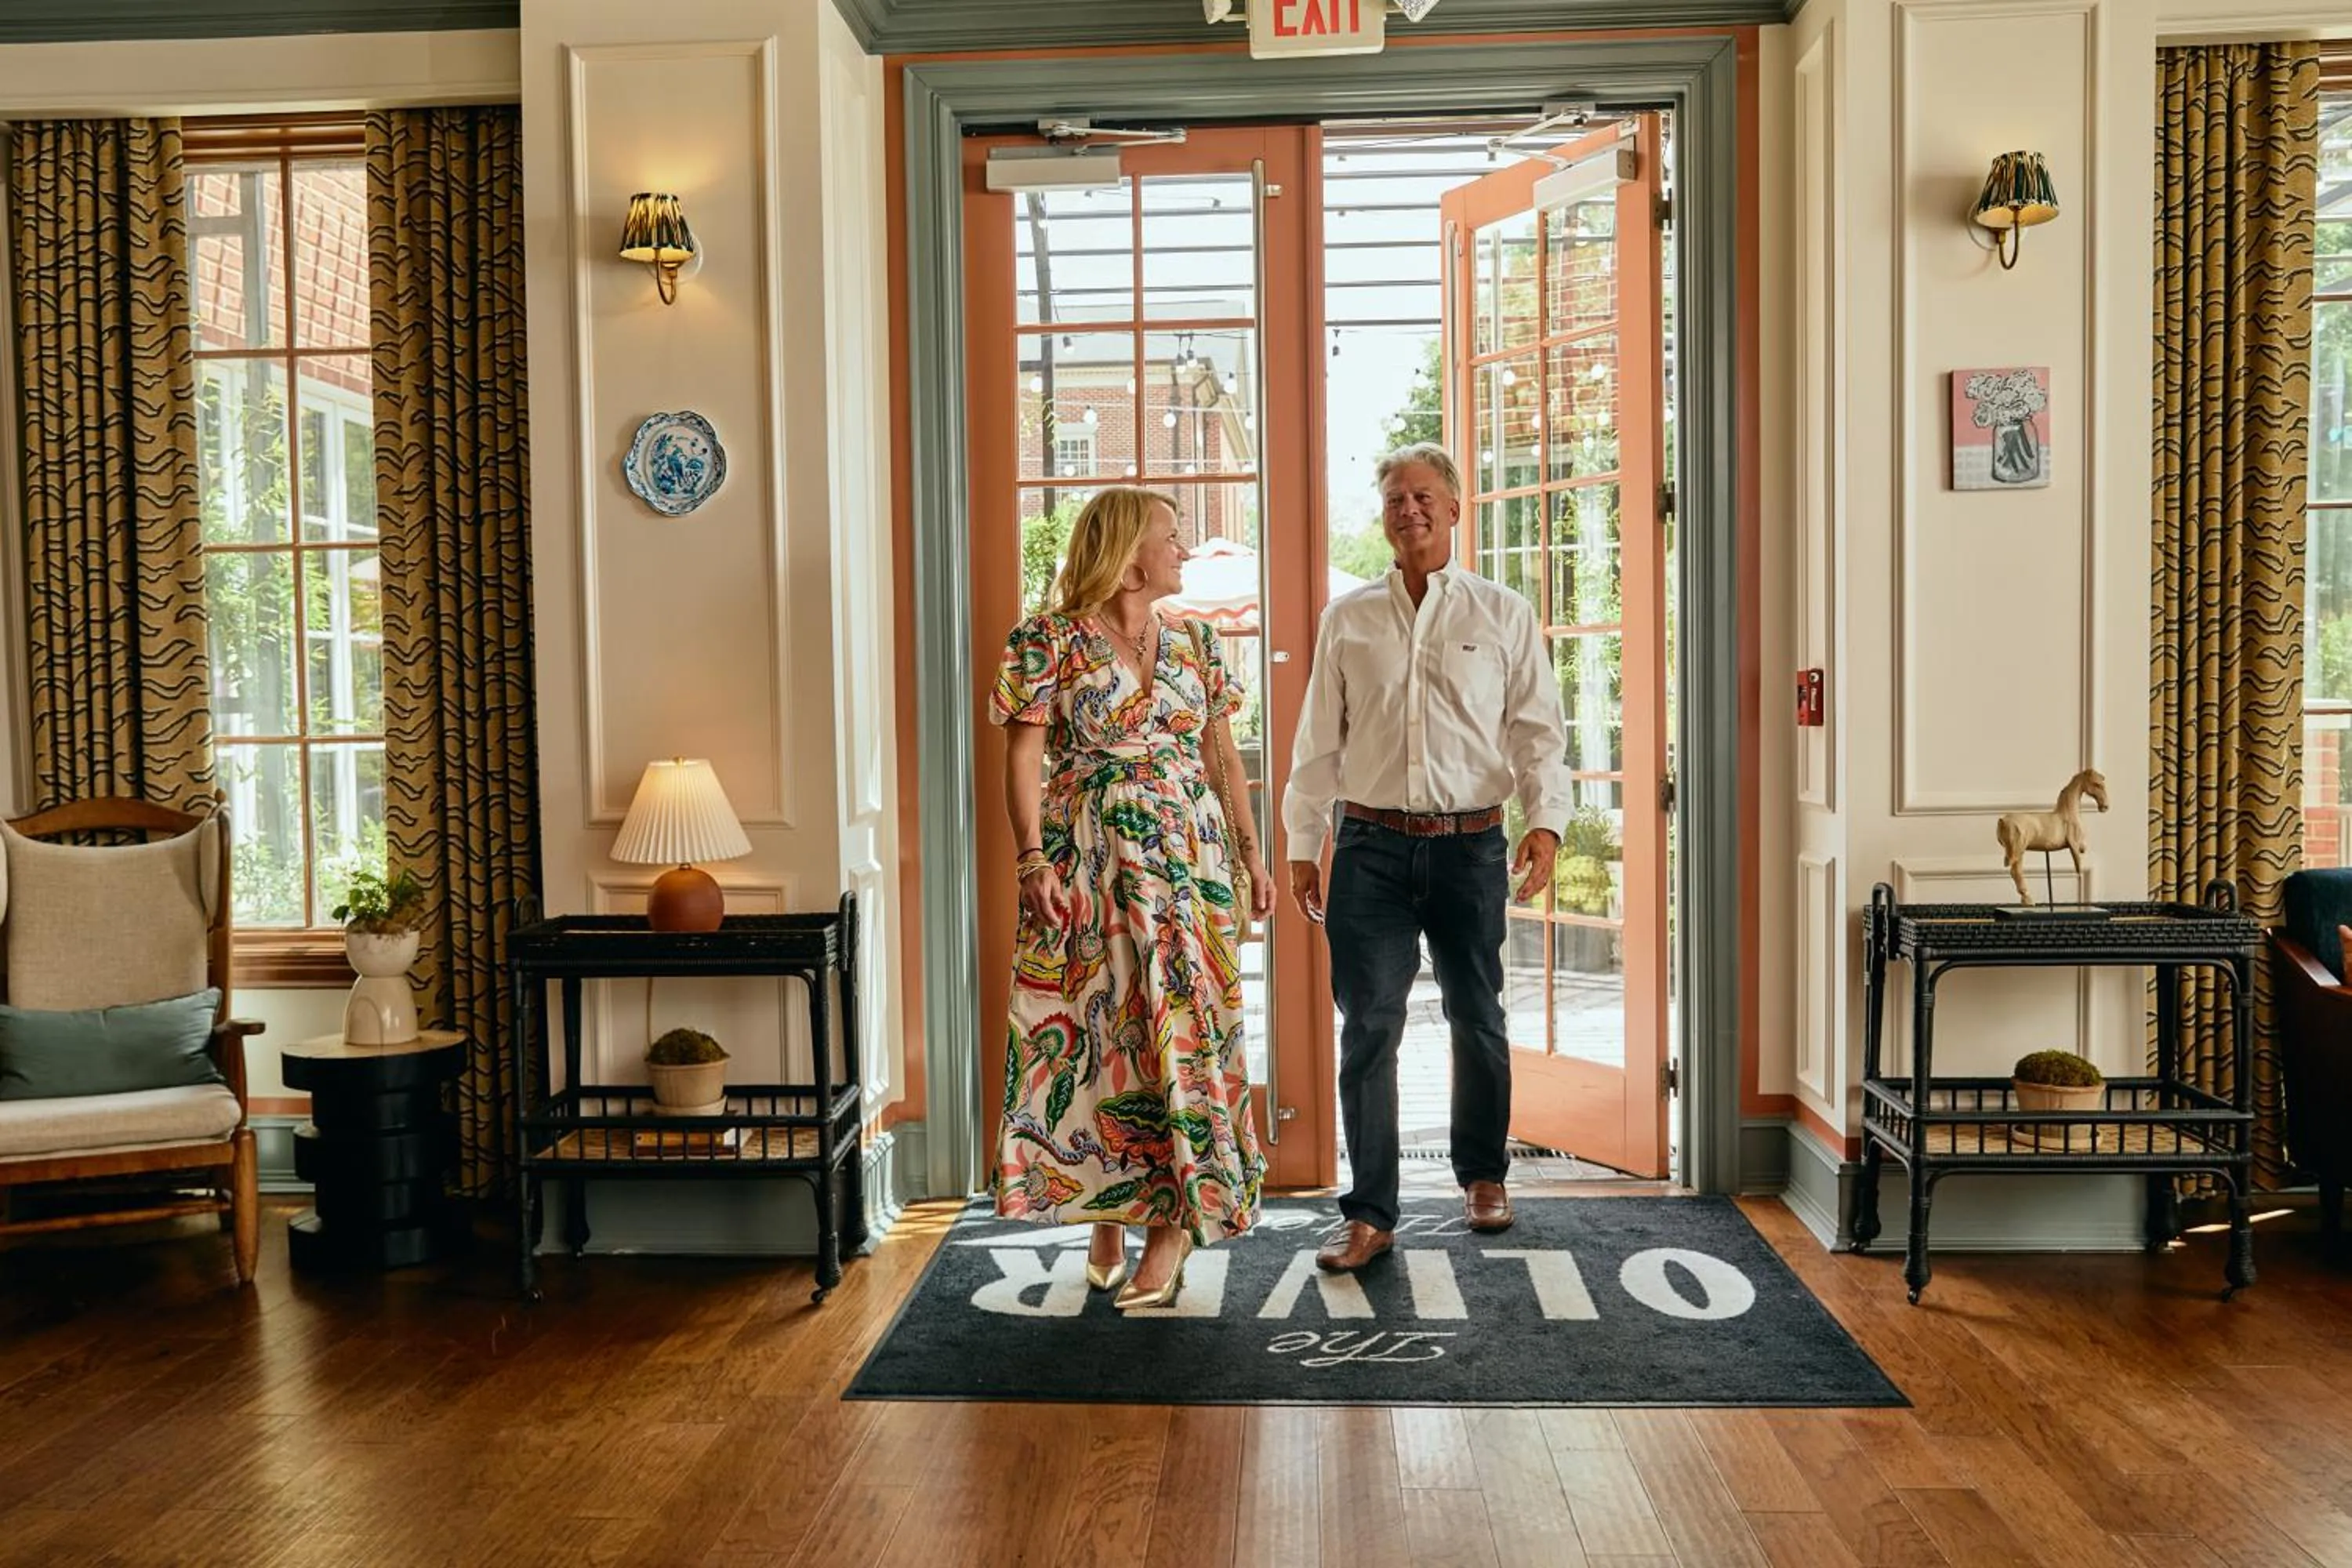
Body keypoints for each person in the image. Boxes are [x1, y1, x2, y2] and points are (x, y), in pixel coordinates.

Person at [1283, 442, 1570, 1273]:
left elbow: (1537, 731)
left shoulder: (1502, 612)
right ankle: (1370, 1212)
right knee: (1368, 1028)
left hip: (1470, 845)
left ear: (1453, 508)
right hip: (1367, 849)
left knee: (1477, 1016)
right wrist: (1306, 845)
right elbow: (1314, 745)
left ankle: (1483, 1173)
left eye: (1423, 496)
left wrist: (1545, 822)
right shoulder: (1349, 617)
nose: (1408, 509)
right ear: (1384, 515)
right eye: (1394, 498)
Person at [990, 487, 1276, 1310]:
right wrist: (1030, 858)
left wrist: (1252, 856)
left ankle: (1173, 1223)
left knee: (1185, 1031)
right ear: (1127, 552)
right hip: (1088, 863)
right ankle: (1107, 1206)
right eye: (1172, 536)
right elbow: (1024, 760)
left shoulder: (1195, 642)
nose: (1184, 550)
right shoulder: (1046, 641)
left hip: (1190, 867)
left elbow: (1224, 758)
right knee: (1103, 1033)